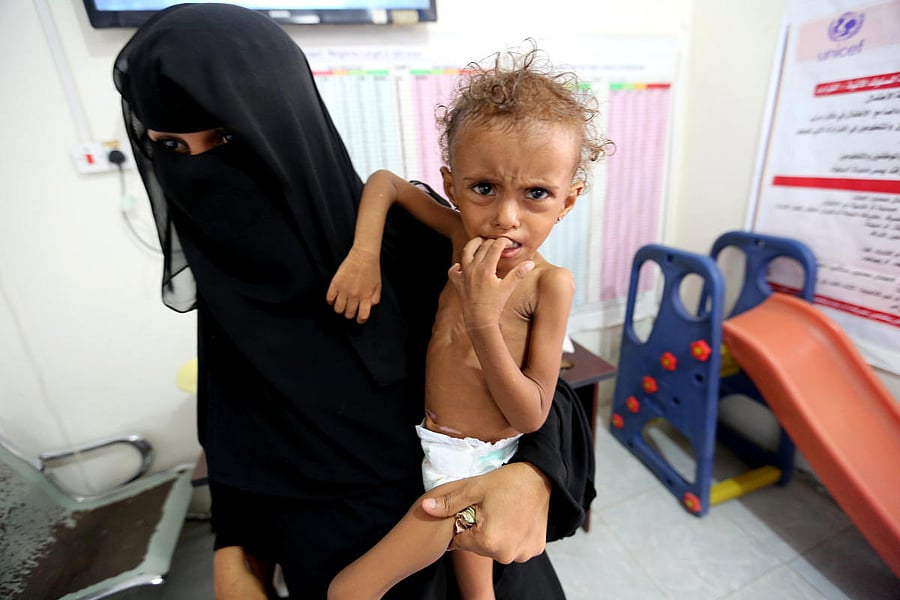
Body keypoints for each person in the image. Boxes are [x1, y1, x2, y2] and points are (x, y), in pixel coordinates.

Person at [114, 4, 596, 598]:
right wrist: (233, 554)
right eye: (172, 148)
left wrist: (535, 476)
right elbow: (237, 440)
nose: (204, 171)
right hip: (319, 566)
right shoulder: (230, 288)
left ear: (283, 120)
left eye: (227, 138)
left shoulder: (416, 241)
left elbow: (552, 398)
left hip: (460, 546)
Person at [326, 47, 611, 599]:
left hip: (475, 464)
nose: (506, 216)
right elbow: (385, 182)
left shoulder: (549, 285)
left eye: (536, 194)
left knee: (349, 591)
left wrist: (483, 319)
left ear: (568, 200)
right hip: (430, 441)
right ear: (453, 185)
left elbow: (531, 415)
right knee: (477, 587)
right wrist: (363, 255)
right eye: (485, 188)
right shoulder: (461, 232)